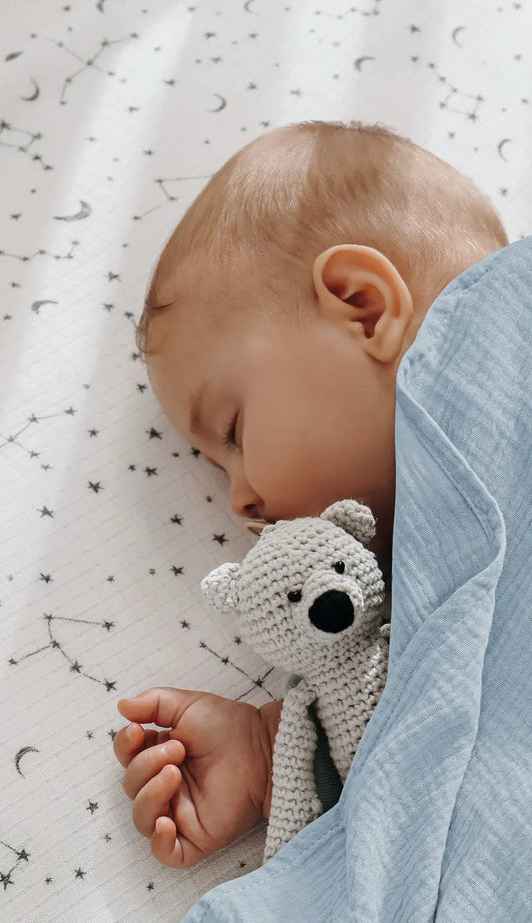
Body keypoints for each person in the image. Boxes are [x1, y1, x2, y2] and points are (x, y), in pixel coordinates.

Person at [113, 119, 509, 868]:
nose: (239, 503)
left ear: (362, 307)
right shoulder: (422, 578)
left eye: (232, 431)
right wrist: (280, 751)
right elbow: (453, 735)